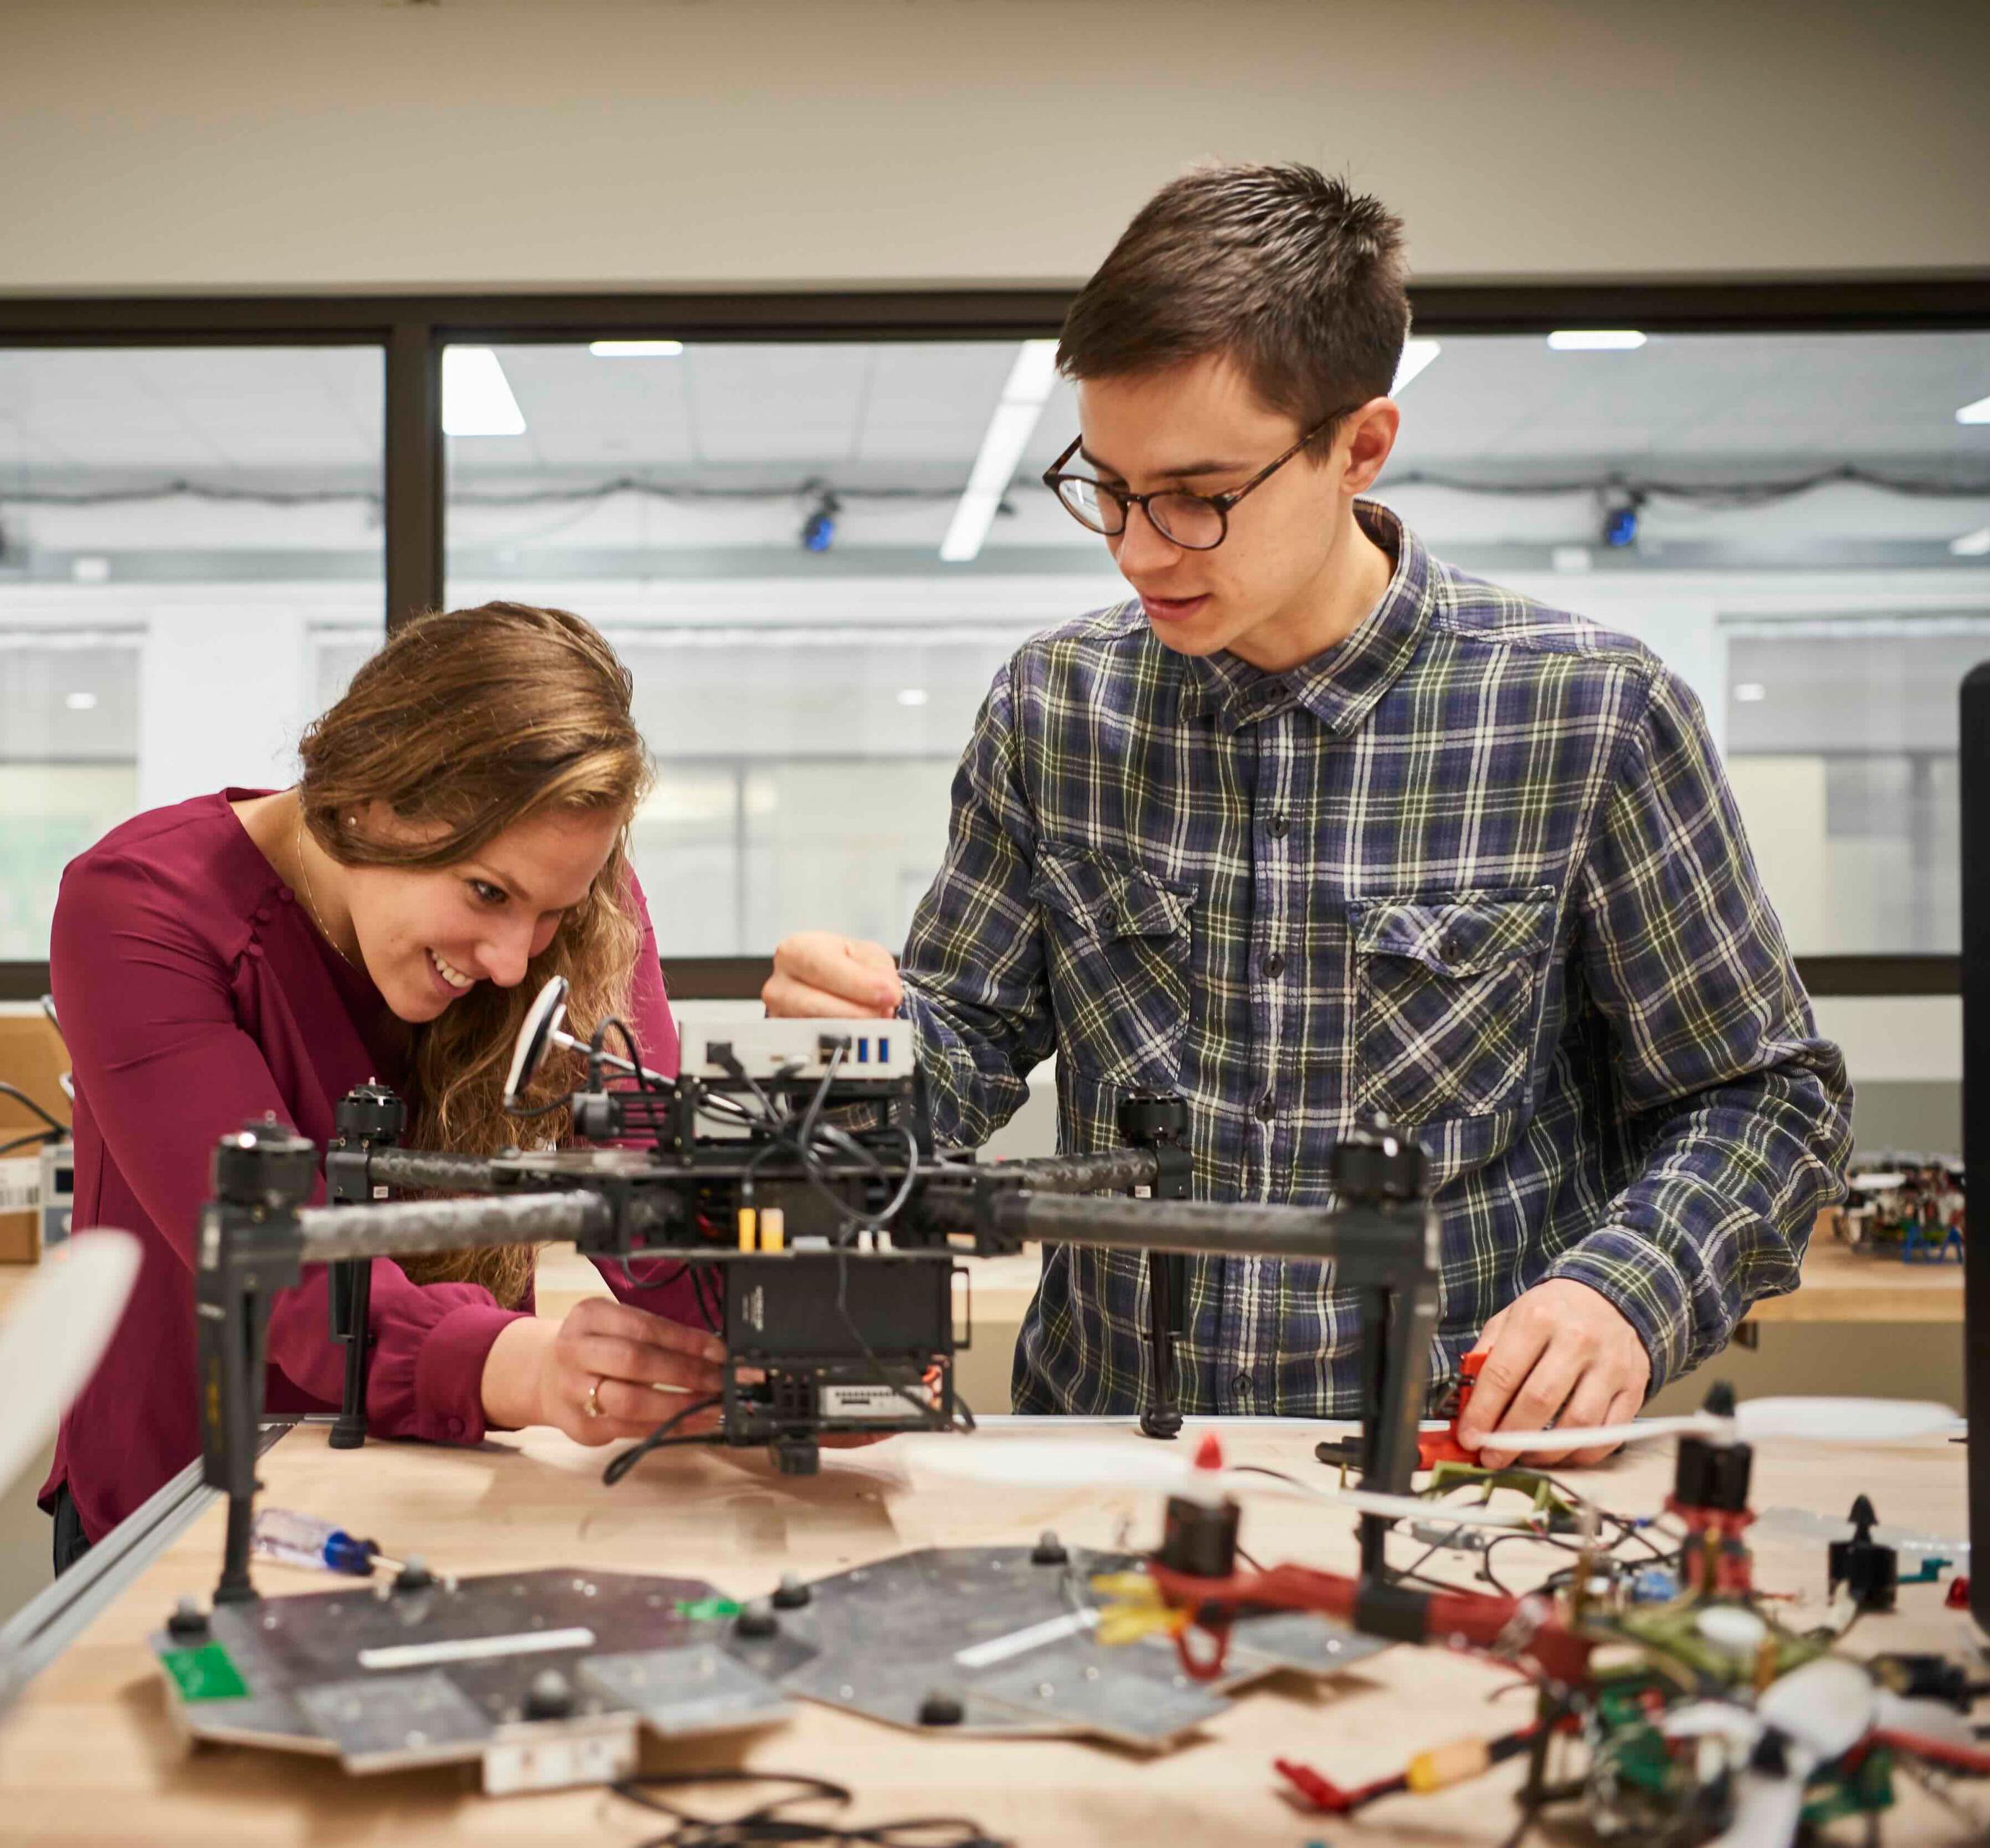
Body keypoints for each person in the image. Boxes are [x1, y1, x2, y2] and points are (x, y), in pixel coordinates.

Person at [766, 164, 1850, 1466]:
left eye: (1197, 494)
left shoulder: (1588, 715)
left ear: (1361, 445)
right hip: (1115, 1454)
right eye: (1106, 487)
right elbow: (966, 1056)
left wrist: (1625, 1291)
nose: (1138, 548)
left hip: (1456, 1470)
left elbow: (1765, 1097)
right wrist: (871, 1041)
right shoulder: (1058, 707)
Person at [43, 602, 720, 1568]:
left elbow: (650, 1184)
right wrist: (533, 1368)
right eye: (485, 894)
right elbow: (283, 1271)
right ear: (367, 800)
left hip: (445, 1489)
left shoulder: (561, 888)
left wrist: (789, 1341)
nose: (508, 962)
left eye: (548, 914)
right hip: (194, 1510)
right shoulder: (140, 908)